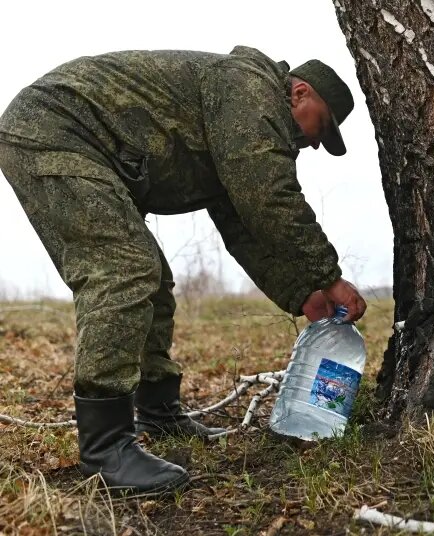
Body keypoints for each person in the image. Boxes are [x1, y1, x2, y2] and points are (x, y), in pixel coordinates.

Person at [0, 46, 367, 494]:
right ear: (300, 93)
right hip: (55, 130)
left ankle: (157, 408)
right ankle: (105, 448)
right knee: (124, 269)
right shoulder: (250, 92)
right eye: (320, 127)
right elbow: (267, 196)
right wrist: (329, 276)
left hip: (83, 142)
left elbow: (242, 219)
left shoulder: (240, 121)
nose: (312, 143)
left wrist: (302, 291)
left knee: (149, 276)